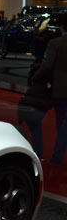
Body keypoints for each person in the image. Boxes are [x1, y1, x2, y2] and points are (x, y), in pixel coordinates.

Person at [32, 13, 67, 164]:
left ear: (62, 26)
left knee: (34, 119)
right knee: (63, 127)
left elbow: (47, 66)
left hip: (53, 91)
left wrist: (35, 78)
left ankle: (36, 153)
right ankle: (57, 159)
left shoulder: (55, 43)